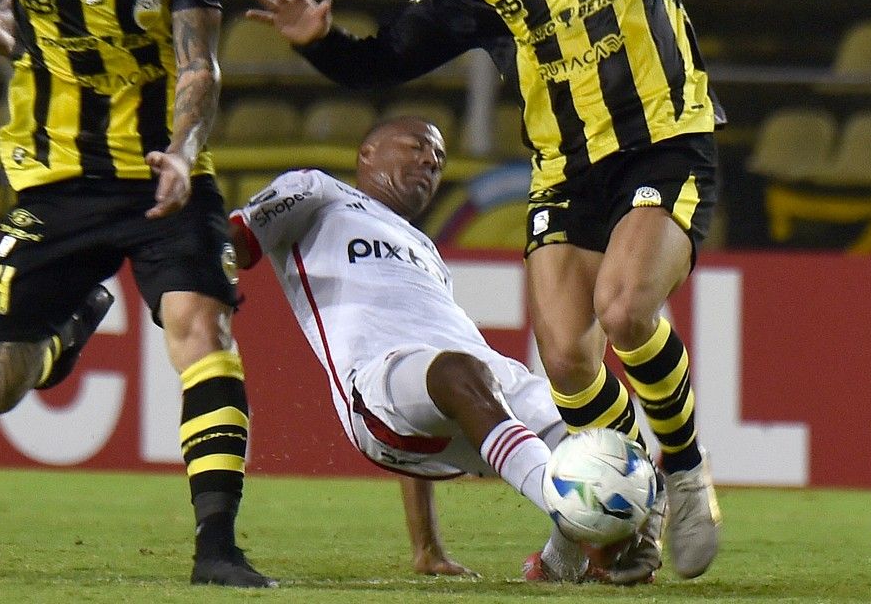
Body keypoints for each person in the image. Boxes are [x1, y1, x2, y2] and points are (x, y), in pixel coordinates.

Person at [247, 0, 871, 583]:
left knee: (625, 310)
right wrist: (322, 43)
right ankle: (637, 494)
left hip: (665, 140)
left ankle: (686, 474)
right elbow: (387, 58)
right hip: (566, 176)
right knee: (565, 360)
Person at [0, 0, 273, 588]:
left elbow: (200, 65)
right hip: (56, 180)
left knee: (204, 334)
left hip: (162, 176)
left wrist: (181, 148)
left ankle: (217, 549)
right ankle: (75, 322)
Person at [229, 116, 647, 581]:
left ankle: (563, 562)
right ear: (367, 154)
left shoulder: (425, 248)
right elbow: (239, 240)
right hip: (376, 384)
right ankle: (575, 514)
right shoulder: (320, 190)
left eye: (439, 158)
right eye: (415, 147)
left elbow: (432, 389)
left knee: (599, 435)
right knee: (456, 375)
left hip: (469, 384)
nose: (430, 161)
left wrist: (426, 549)